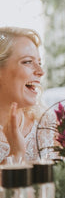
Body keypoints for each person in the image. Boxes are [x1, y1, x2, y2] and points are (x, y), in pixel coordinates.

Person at [0, 26, 53, 163]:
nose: (40, 71)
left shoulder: (46, 124)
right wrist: (15, 154)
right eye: (28, 62)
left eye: (39, 63)